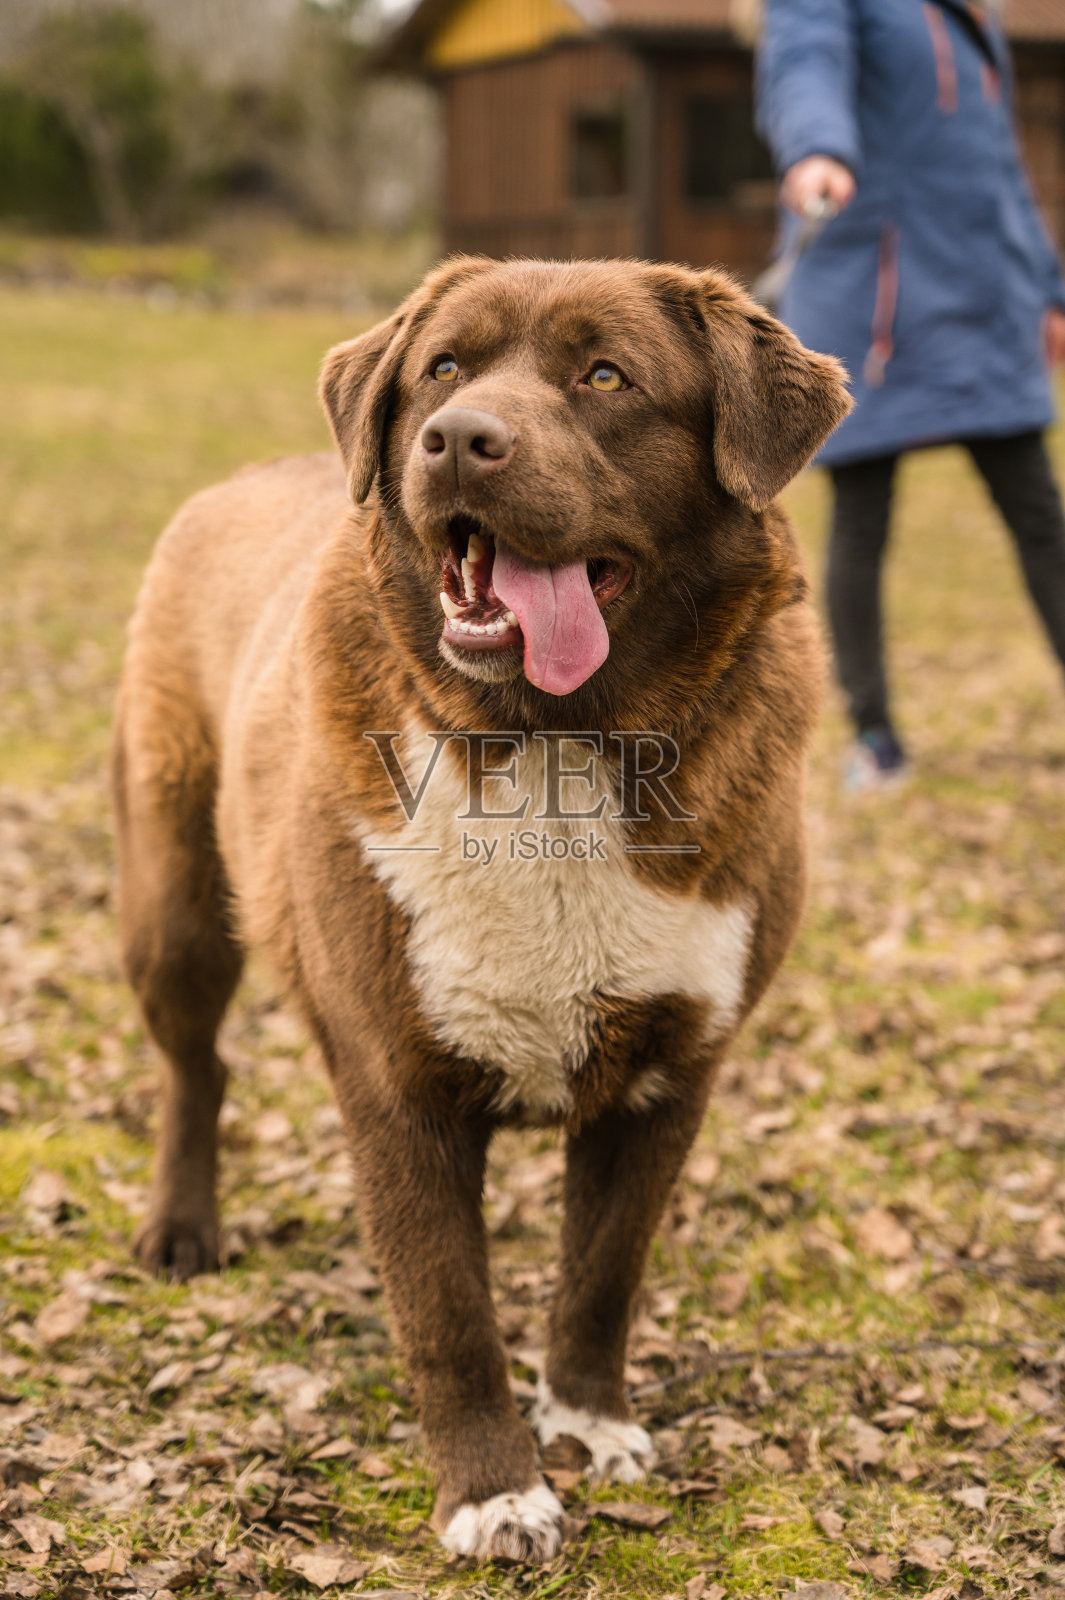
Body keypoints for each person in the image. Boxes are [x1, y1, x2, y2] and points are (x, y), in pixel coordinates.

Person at [755, 0, 1065, 791]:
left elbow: (1004, 169)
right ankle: (875, 737)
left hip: (983, 294)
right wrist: (815, 149)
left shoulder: (975, 15)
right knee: (862, 518)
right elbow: (805, 64)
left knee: (1039, 514)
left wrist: (1049, 290)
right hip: (874, 291)